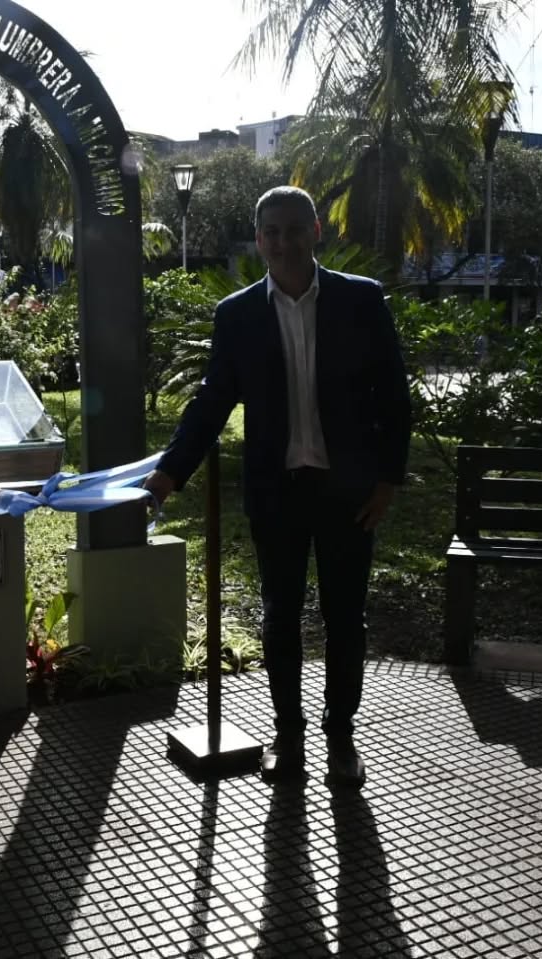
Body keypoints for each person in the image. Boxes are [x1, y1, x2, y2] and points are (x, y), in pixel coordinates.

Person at [143, 186, 412, 787]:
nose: (284, 242)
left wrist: (388, 481)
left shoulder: (360, 301)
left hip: (350, 494)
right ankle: (287, 735)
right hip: (277, 494)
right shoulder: (236, 315)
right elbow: (211, 404)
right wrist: (168, 474)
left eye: (294, 229)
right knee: (280, 616)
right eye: (272, 232)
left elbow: (395, 398)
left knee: (346, 618)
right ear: (258, 239)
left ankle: (340, 737)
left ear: (317, 230)